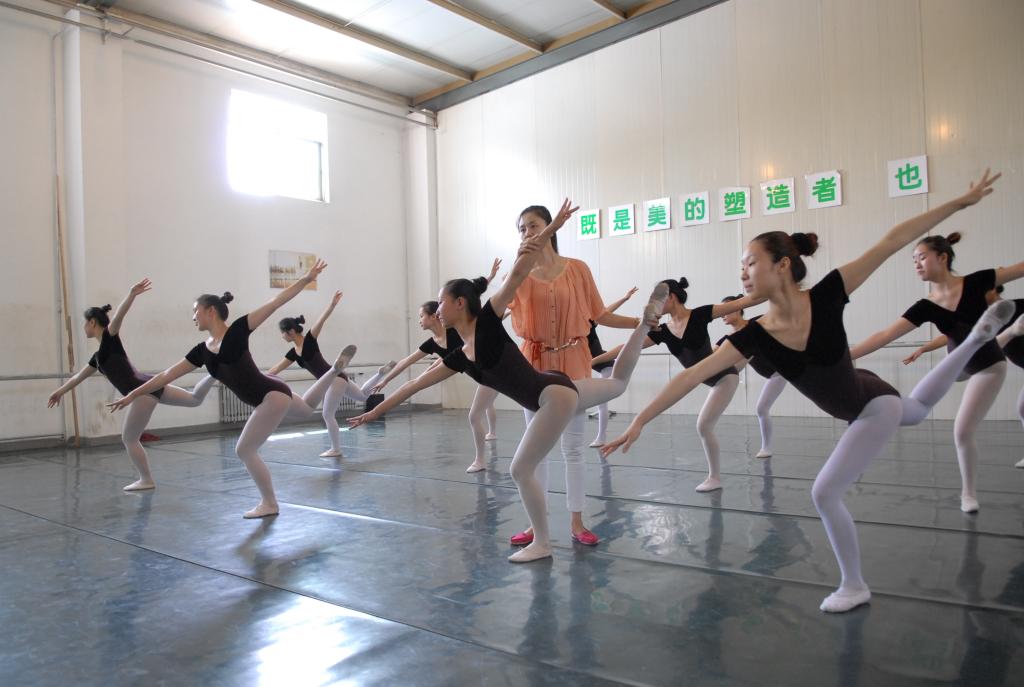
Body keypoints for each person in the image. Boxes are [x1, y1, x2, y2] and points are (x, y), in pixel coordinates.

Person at [602, 170, 1010, 612]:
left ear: (782, 264)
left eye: (750, 263)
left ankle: (854, 585)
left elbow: (892, 241)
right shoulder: (754, 334)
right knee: (916, 408)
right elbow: (688, 376)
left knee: (827, 490)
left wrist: (959, 202)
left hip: (870, 405)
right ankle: (973, 340)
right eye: (741, 267)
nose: (743, 272)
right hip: (866, 390)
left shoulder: (829, 293)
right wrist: (640, 419)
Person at [349, 200, 667, 563]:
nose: (436, 310)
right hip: (549, 379)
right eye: (522, 229)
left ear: (460, 303)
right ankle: (645, 327)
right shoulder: (460, 353)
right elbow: (415, 384)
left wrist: (553, 228)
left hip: (558, 385)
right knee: (616, 385)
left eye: (533, 226)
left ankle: (551, 537)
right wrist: (375, 412)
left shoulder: (493, 317)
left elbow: (524, 274)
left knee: (530, 464)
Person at [108, 260, 355, 519]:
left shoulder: (237, 330)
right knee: (306, 409)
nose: (193, 317)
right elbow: (166, 375)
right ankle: (333, 372)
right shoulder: (201, 351)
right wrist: (133, 394)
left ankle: (269, 503)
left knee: (244, 450)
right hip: (274, 392)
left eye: (195, 311)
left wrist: (305, 279)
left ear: (211, 311)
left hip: (269, 395)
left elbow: (275, 302)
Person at [850, 231, 1024, 512]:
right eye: (913, 260)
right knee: (926, 396)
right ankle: (1001, 333)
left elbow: (1019, 268)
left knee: (962, 431)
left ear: (942, 257)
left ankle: (968, 494)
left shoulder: (978, 281)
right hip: (956, 365)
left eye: (921, 257)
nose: (916, 264)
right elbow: (885, 335)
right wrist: (846, 357)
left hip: (987, 365)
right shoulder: (926, 306)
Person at [48, 278, 215, 491]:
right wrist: (59, 391)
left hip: (140, 391)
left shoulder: (109, 339)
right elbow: (77, 378)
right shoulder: (97, 358)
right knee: (194, 399)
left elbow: (118, 317)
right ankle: (214, 374)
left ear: (92, 322)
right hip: (148, 383)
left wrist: (131, 294)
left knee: (129, 439)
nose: (83, 328)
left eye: (85, 323)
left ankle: (146, 479)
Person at [268, 290, 395, 458]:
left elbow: (321, 320)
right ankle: (379, 374)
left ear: (290, 331)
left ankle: (336, 449)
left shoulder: (310, 340)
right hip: (340, 378)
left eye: (282, 333)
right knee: (363, 396)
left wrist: (332, 305)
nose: (282, 336)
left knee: (327, 414)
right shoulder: (293, 353)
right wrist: (257, 377)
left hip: (333, 380)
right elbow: (275, 369)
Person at [717, 294, 787, 459]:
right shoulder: (728, 339)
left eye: (726, 310)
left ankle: (766, 448)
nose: (722, 315)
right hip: (774, 375)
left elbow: (779, 317)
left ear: (738, 309)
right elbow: (711, 356)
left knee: (761, 408)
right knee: (762, 408)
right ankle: (766, 447)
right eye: (721, 312)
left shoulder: (756, 323)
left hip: (783, 369)